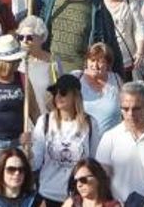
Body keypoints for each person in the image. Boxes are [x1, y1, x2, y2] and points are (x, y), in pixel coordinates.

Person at [32, 0, 121, 74]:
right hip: (49, 71)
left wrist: (119, 77)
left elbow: (111, 43)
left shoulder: (96, 6)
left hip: (80, 76)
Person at [94, 82, 144, 206]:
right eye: (125, 109)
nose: (130, 114)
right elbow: (100, 179)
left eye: (136, 108)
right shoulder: (110, 138)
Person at [31, 75, 99, 205]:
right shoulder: (45, 121)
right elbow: (35, 163)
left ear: (75, 96)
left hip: (77, 197)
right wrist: (27, 150)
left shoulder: (90, 124)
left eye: (62, 93)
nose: (57, 97)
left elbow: (94, 163)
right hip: (47, 194)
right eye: (55, 93)